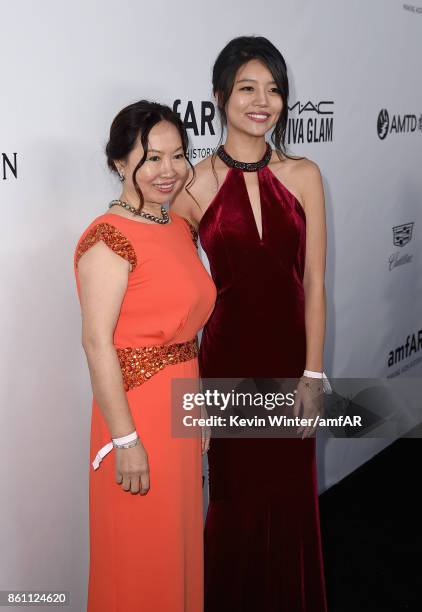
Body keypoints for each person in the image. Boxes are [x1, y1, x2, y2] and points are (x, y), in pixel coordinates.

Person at [172, 36, 328, 611]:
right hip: (227, 368)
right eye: (247, 88)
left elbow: (313, 283)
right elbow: (180, 297)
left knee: (291, 497)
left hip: (291, 366)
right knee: (234, 503)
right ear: (219, 97)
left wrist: (314, 375)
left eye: (274, 90)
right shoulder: (191, 186)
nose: (263, 101)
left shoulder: (305, 174)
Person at [74, 100, 216, 612]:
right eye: (151, 158)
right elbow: (97, 344)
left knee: (175, 550)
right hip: (133, 421)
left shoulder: (178, 228)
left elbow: (186, 336)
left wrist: (196, 410)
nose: (169, 171)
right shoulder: (107, 240)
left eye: (178, 156)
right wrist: (126, 440)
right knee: (137, 558)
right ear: (119, 163)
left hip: (177, 414)